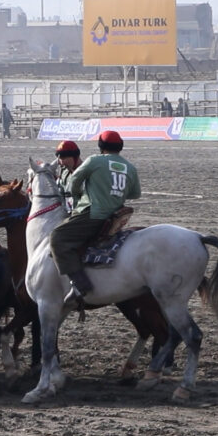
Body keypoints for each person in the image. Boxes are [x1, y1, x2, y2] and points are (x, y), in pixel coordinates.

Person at [50, 131, 140, 306]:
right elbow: (135, 194)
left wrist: (78, 194)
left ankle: (79, 284)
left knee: (57, 237)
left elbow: (74, 182)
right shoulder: (130, 167)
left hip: (93, 214)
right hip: (115, 216)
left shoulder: (94, 161)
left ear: (101, 146)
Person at [54, 140, 83, 213]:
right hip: (66, 213)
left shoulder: (87, 173)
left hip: (82, 215)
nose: (61, 163)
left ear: (75, 156)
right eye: (59, 159)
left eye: (63, 158)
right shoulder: (64, 173)